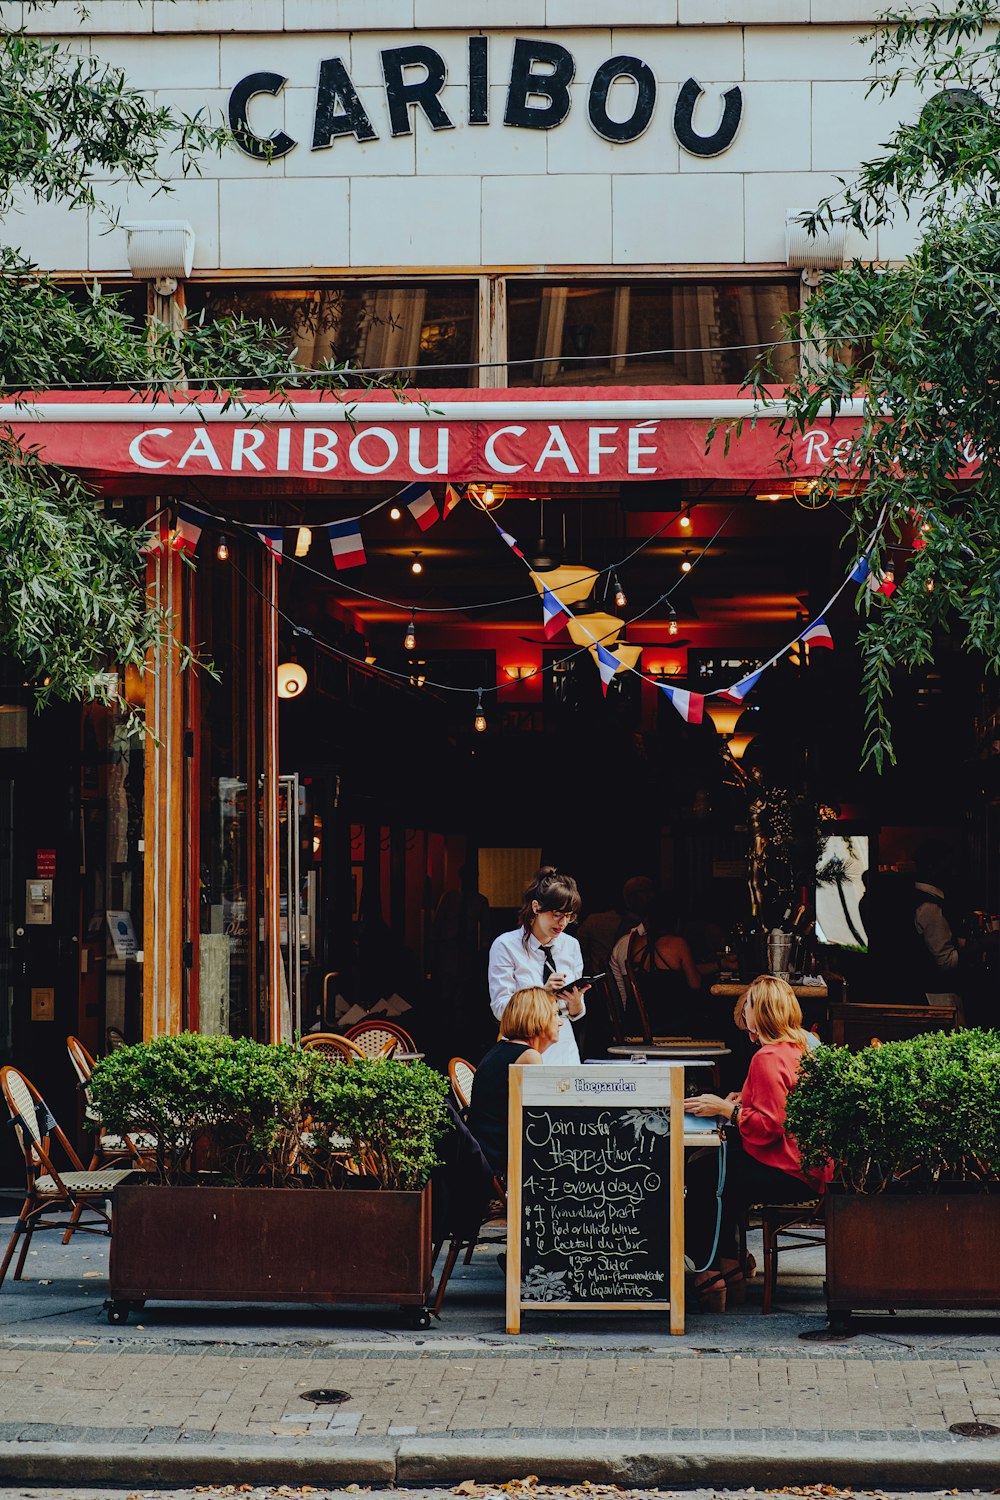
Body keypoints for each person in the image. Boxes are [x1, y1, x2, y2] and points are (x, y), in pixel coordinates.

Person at [683, 974, 832, 1311]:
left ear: (760, 1012)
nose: (744, 1011)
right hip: (809, 1166)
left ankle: (709, 1275)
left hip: (788, 1170)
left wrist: (726, 1110)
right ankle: (730, 1266)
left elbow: (769, 1126)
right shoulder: (800, 1047)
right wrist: (742, 1102)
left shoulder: (766, 1057)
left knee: (701, 1176)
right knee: (718, 1171)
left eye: (748, 1005)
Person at [487, 867, 588, 1066]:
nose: (563, 922)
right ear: (536, 907)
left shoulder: (571, 945)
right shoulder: (506, 945)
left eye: (570, 916)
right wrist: (543, 994)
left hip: (563, 1040)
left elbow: (576, 1012)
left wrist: (575, 1002)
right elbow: (500, 1009)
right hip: (523, 1045)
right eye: (557, 914)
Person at [466, 987, 561, 1175]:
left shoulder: (500, 1049)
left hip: (484, 1154)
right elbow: (542, 1118)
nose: (561, 1022)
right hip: (503, 1160)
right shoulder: (528, 1056)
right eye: (556, 1014)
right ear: (539, 1017)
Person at [609, 892, 701, 1037]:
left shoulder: (634, 942)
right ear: (676, 921)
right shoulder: (678, 944)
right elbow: (695, 983)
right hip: (670, 1023)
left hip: (638, 1022)